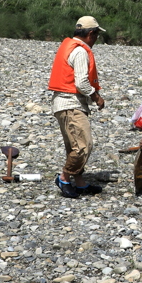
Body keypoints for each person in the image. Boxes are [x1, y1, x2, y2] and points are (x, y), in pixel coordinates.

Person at [48, 16, 106, 199]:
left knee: (73, 146)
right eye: (97, 34)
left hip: (62, 104)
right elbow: (81, 82)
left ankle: (80, 183)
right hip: (71, 105)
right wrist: (96, 97)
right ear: (90, 33)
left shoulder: (68, 46)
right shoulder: (80, 52)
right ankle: (64, 178)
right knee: (83, 145)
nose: (97, 38)